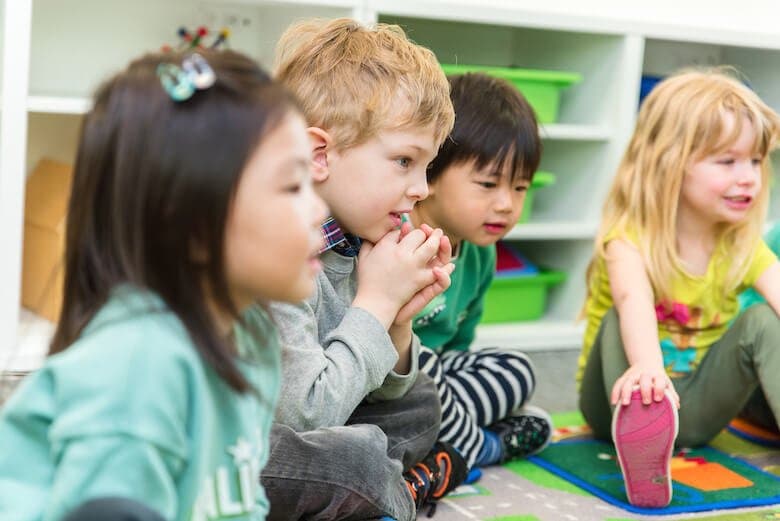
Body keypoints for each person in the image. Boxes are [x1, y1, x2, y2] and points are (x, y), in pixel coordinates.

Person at [0, 49, 326, 520]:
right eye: (294, 187)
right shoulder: (139, 363)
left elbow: (238, 500)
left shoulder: (250, 333)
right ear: (193, 227)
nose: (319, 210)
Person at [260, 18, 467, 520]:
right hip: (234, 443)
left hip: (315, 421)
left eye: (427, 166)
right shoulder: (270, 252)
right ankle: (396, 492)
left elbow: (381, 390)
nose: (421, 188)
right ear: (319, 155)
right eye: (403, 161)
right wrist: (374, 304)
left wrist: (397, 320)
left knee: (420, 403)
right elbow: (303, 416)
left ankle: (380, 492)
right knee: (358, 462)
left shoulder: (358, 237)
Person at [578, 69, 780, 508]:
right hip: (615, 399)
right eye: (727, 161)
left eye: (756, 160)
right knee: (620, 314)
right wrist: (648, 368)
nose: (748, 177)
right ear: (669, 162)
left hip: (697, 408)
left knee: (765, 319)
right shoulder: (629, 239)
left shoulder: (743, 246)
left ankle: (661, 430)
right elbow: (632, 301)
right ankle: (644, 441)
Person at [410, 73, 553, 473]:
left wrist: (450, 399)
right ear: (429, 174)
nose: (506, 204)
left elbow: (458, 349)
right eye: (488, 184)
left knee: (516, 370)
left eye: (521, 187)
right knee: (421, 363)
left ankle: (442, 434)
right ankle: (478, 448)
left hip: (436, 382)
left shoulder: (479, 255)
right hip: (386, 380)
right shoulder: (397, 237)